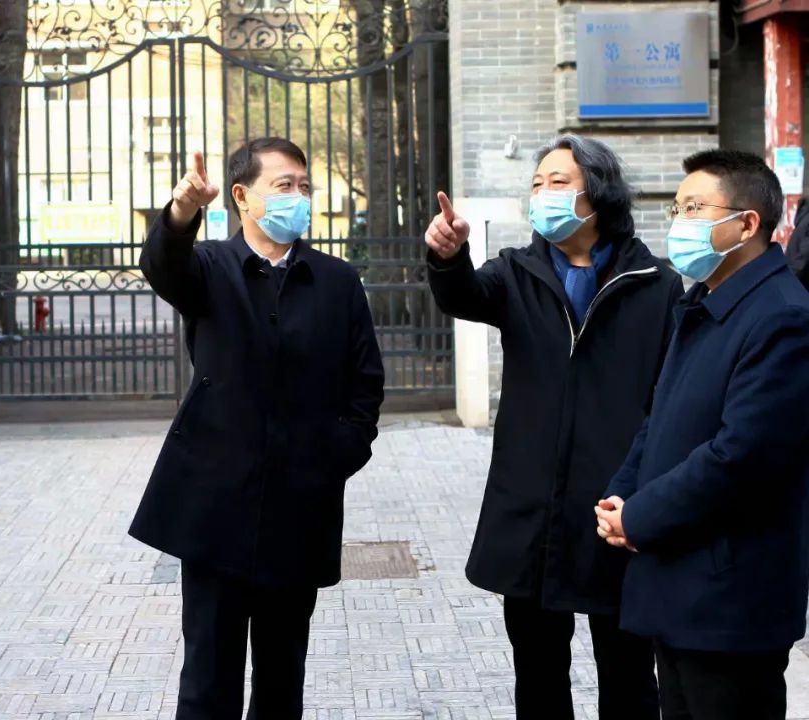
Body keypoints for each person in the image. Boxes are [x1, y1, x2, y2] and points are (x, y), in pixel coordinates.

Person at [424, 134, 681, 719]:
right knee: (538, 675)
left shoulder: (655, 283)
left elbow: (667, 398)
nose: (543, 193)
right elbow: (463, 295)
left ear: (599, 193)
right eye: (537, 183)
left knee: (630, 675)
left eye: (558, 181)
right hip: (532, 510)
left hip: (615, 510)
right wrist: (448, 255)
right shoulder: (516, 271)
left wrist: (648, 492)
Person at [129, 138, 384, 719]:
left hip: (299, 507)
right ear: (242, 197)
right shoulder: (209, 268)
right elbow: (163, 266)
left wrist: (335, 456)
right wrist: (181, 211)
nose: (299, 196)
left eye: (304, 186)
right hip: (215, 507)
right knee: (208, 679)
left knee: (281, 677)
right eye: (284, 185)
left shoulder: (337, 281)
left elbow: (365, 384)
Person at [597, 149, 809, 720]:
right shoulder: (703, 303)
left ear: (747, 223)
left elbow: (741, 457)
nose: (679, 222)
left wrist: (640, 517)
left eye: (695, 208)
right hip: (680, 585)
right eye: (677, 208)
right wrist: (621, 494)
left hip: (731, 599)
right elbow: (661, 417)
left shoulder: (783, 316)